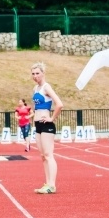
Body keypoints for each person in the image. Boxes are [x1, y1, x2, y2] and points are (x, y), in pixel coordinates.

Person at [31, 62, 63, 194]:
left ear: (43, 73)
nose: (35, 76)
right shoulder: (35, 88)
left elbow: (59, 104)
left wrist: (51, 118)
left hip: (46, 125)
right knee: (43, 156)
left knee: (49, 155)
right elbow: (36, 106)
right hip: (38, 124)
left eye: (37, 73)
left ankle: (52, 185)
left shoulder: (46, 87)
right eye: (33, 73)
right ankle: (47, 183)